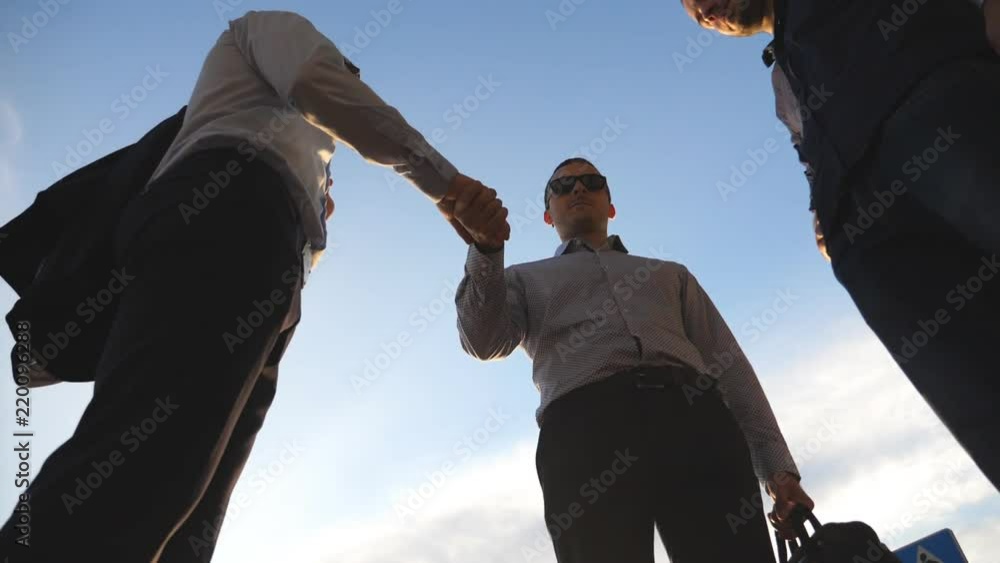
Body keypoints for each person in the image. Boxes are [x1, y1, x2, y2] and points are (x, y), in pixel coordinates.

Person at [0, 10, 508, 562]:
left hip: (267, 278)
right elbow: (315, 81)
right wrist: (447, 186)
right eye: (351, 74)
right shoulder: (270, 29)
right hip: (225, 215)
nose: (354, 84)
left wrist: (308, 230)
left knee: (194, 510)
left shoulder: (301, 149)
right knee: (142, 466)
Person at [679, 0, 1000, 491]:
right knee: (971, 387)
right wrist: (826, 216)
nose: (701, 9)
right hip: (865, 232)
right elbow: (805, 152)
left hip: (943, 112)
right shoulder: (782, 81)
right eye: (691, 9)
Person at [454, 157, 812, 562]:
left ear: (611, 206)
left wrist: (779, 472)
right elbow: (483, 340)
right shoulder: (521, 279)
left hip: (697, 421)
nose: (578, 189)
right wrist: (486, 248)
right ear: (547, 214)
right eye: (562, 186)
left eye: (592, 181)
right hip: (584, 433)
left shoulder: (671, 275)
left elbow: (730, 367)